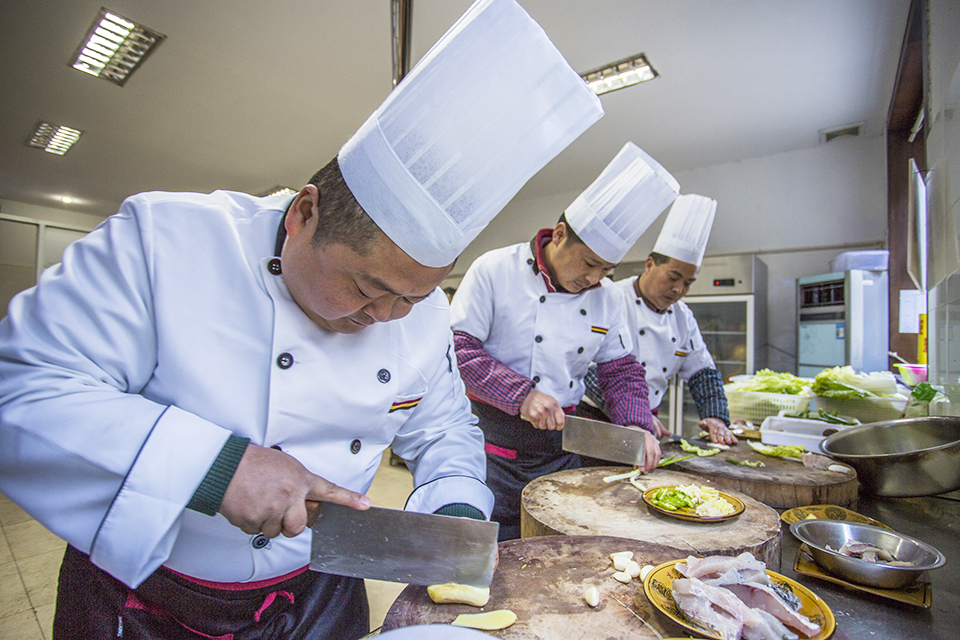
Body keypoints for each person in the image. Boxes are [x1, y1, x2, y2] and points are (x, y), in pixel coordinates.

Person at [0, 0, 604, 637]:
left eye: (414, 298)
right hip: (143, 597)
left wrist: (452, 506)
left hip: (319, 591)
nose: (386, 318)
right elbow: (21, 390)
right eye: (367, 287)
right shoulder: (164, 241)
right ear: (303, 215)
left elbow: (443, 426)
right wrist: (217, 465)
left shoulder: (419, 313)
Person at [450, 142, 680, 540]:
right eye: (589, 264)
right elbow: (459, 351)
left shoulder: (607, 298)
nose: (594, 279)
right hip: (492, 449)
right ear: (559, 235)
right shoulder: (494, 270)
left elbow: (621, 371)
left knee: (557, 547)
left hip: (560, 450)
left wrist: (637, 426)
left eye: (606, 270)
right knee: (496, 552)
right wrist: (521, 395)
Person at [584, 194, 742, 445]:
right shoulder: (609, 298)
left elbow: (703, 371)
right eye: (673, 277)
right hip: (597, 418)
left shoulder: (683, 317)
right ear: (649, 264)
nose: (679, 289)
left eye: (688, 283)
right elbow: (588, 369)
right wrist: (636, 416)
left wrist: (716, 417)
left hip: (648, 420)